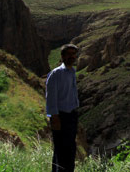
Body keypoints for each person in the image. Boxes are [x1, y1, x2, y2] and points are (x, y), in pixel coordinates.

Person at [46, 44, 80, 172]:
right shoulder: (56, 74)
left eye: (73, 54)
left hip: (72, 115)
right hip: (61, 116)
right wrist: (54, 118)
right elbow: (50, 97)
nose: (72, 57)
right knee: (62, 150)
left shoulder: (72, 72)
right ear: (63, 56)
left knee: (69, 148)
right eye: (69, 54)